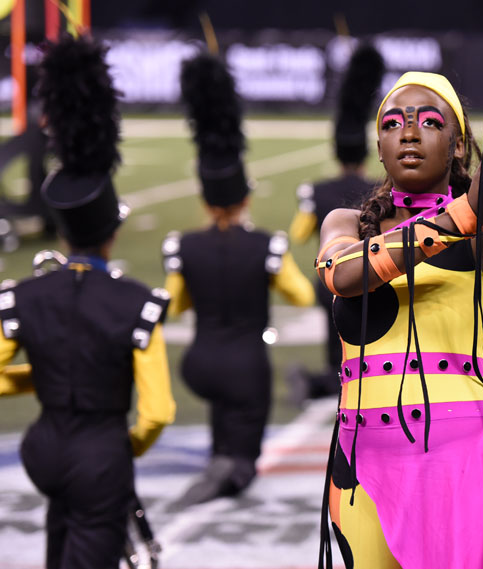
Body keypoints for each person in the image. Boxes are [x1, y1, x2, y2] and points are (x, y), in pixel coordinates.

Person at [315, 0, 483, 567]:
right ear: (378, 149)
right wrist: (462, 214)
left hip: (464, 458)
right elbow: (346, 276)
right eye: (392, 124)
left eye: (430, 121)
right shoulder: (345, 225)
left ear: (460, 146)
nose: (409, 133)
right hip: (358, 466)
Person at [0, 35, 175, 569]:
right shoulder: (135, 302)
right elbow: (158, 412)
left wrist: (48, 371)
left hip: (43, 451)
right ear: (112, 234)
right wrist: (124, 450)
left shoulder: (22, 295)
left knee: (61, 538)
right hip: (100, 455)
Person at [163, 51, 315, 505]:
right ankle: (230, 470)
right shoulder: (266, 246)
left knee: (222, 411)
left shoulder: (184, 246)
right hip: (246, 368)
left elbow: (174, 304)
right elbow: (303, 295)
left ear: (205, 198)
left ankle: (218, 456)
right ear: (245, 195)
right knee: (246, 455)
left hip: (199, 366)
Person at [287, 43, 385, 404]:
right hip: (370, 275)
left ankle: (330, 376)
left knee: (335, 338)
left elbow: (299, 234)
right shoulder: (377, 190)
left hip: (328, 278)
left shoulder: (319, 190)